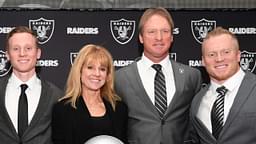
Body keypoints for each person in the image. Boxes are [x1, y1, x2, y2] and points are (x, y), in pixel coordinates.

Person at [114, 7, 202, 144]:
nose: (159, 37)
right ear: (141, 37)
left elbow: (197, 124)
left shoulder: (192, 76)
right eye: (151, 32)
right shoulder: (119, 79)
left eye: (165, 31)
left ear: (172, 36)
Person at [190, 27, 256, 144]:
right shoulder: (197, 101)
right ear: (203, 61)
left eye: (226, 52)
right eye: (211, 54)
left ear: (238, 55)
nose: (219, 59)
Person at [52, 44, 128, 144]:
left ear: (108, 75)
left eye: (102, 69)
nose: (97, 74)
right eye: (90, 67)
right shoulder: (62, 109)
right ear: (79, 71)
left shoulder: (119, 108)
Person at [0, 26, 63, 144]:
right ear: (8, 55)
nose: (22, 53)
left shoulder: (56, 95)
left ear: (38, 53)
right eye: (16, 49)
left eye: (28, 48)